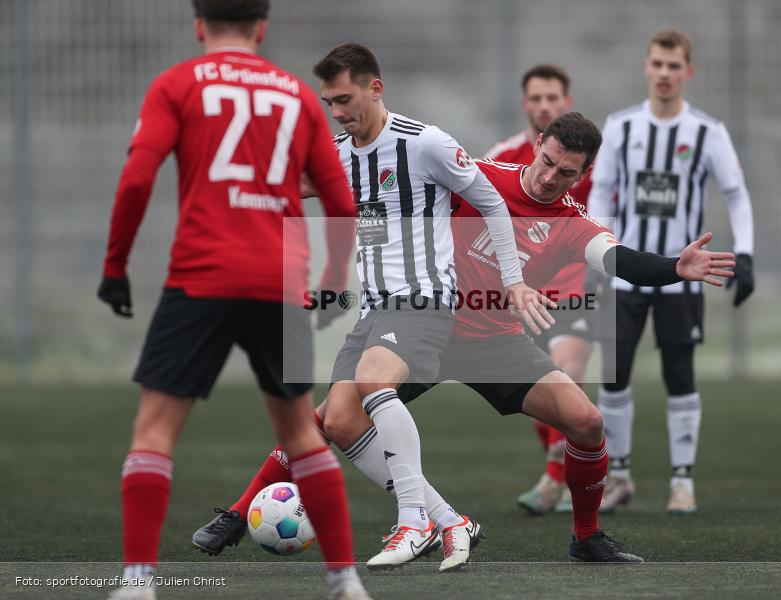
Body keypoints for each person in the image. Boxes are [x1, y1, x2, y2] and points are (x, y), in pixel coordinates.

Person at [195, 112, 736, 565]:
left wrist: (673, 267)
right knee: (331, 420)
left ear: (583, 174)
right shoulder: (476, 177)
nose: (550, 178)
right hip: (424, 322)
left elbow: (620, 260)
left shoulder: (573, 222)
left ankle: (587, 537)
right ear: (536, 148)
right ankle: (238, 514)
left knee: (589, 421)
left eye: (567, 173)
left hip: (495, 342)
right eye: (546, 162)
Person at [191, 42, 551, 572]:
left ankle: (412, 521)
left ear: (374, 88)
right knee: (337, 421)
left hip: (425, 299)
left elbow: (492, 202)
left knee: (375, 381)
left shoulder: (426, 143)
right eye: (329, 103)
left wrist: (514, 282)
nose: (336, 112)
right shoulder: (340, 152)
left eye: (343, 99)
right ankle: (449, 520)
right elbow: (305, 189)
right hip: (375, 308)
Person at [97, 3, 369, 599]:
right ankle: (346, 581)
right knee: (301, 431)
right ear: (262, 27)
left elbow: (137, 177)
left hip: (202, 277)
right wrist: (329, 278)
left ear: (199, 24)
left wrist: (116, 265)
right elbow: (341, 202)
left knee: (155, 431)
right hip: (280, 279)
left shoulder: (177, 84)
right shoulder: (297, 95)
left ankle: (139, 584)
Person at [587, 28, 755, 515]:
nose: (664, 73)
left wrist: (745, 255)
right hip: (624, 274)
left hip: (683, 275)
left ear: (688, 72)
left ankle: (682, 481)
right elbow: (602, 191)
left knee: (679, 372)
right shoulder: (620, 126)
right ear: (646, 67)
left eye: (673, 65)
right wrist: (599, 247)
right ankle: (618, 475)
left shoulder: (707, 132)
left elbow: (736, 193)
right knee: (614, 375)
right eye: (657, 64)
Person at [484, 65, 598, 515]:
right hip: (521, 292)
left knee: (566, 370)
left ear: (564, 103)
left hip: (577, 286)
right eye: (536, 98)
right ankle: (569, 468)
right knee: (538, 394)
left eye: (553, 97)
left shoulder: (591, 159)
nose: (544, 105)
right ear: (526, 105)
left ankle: (559, 477)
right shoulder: (502, 156)